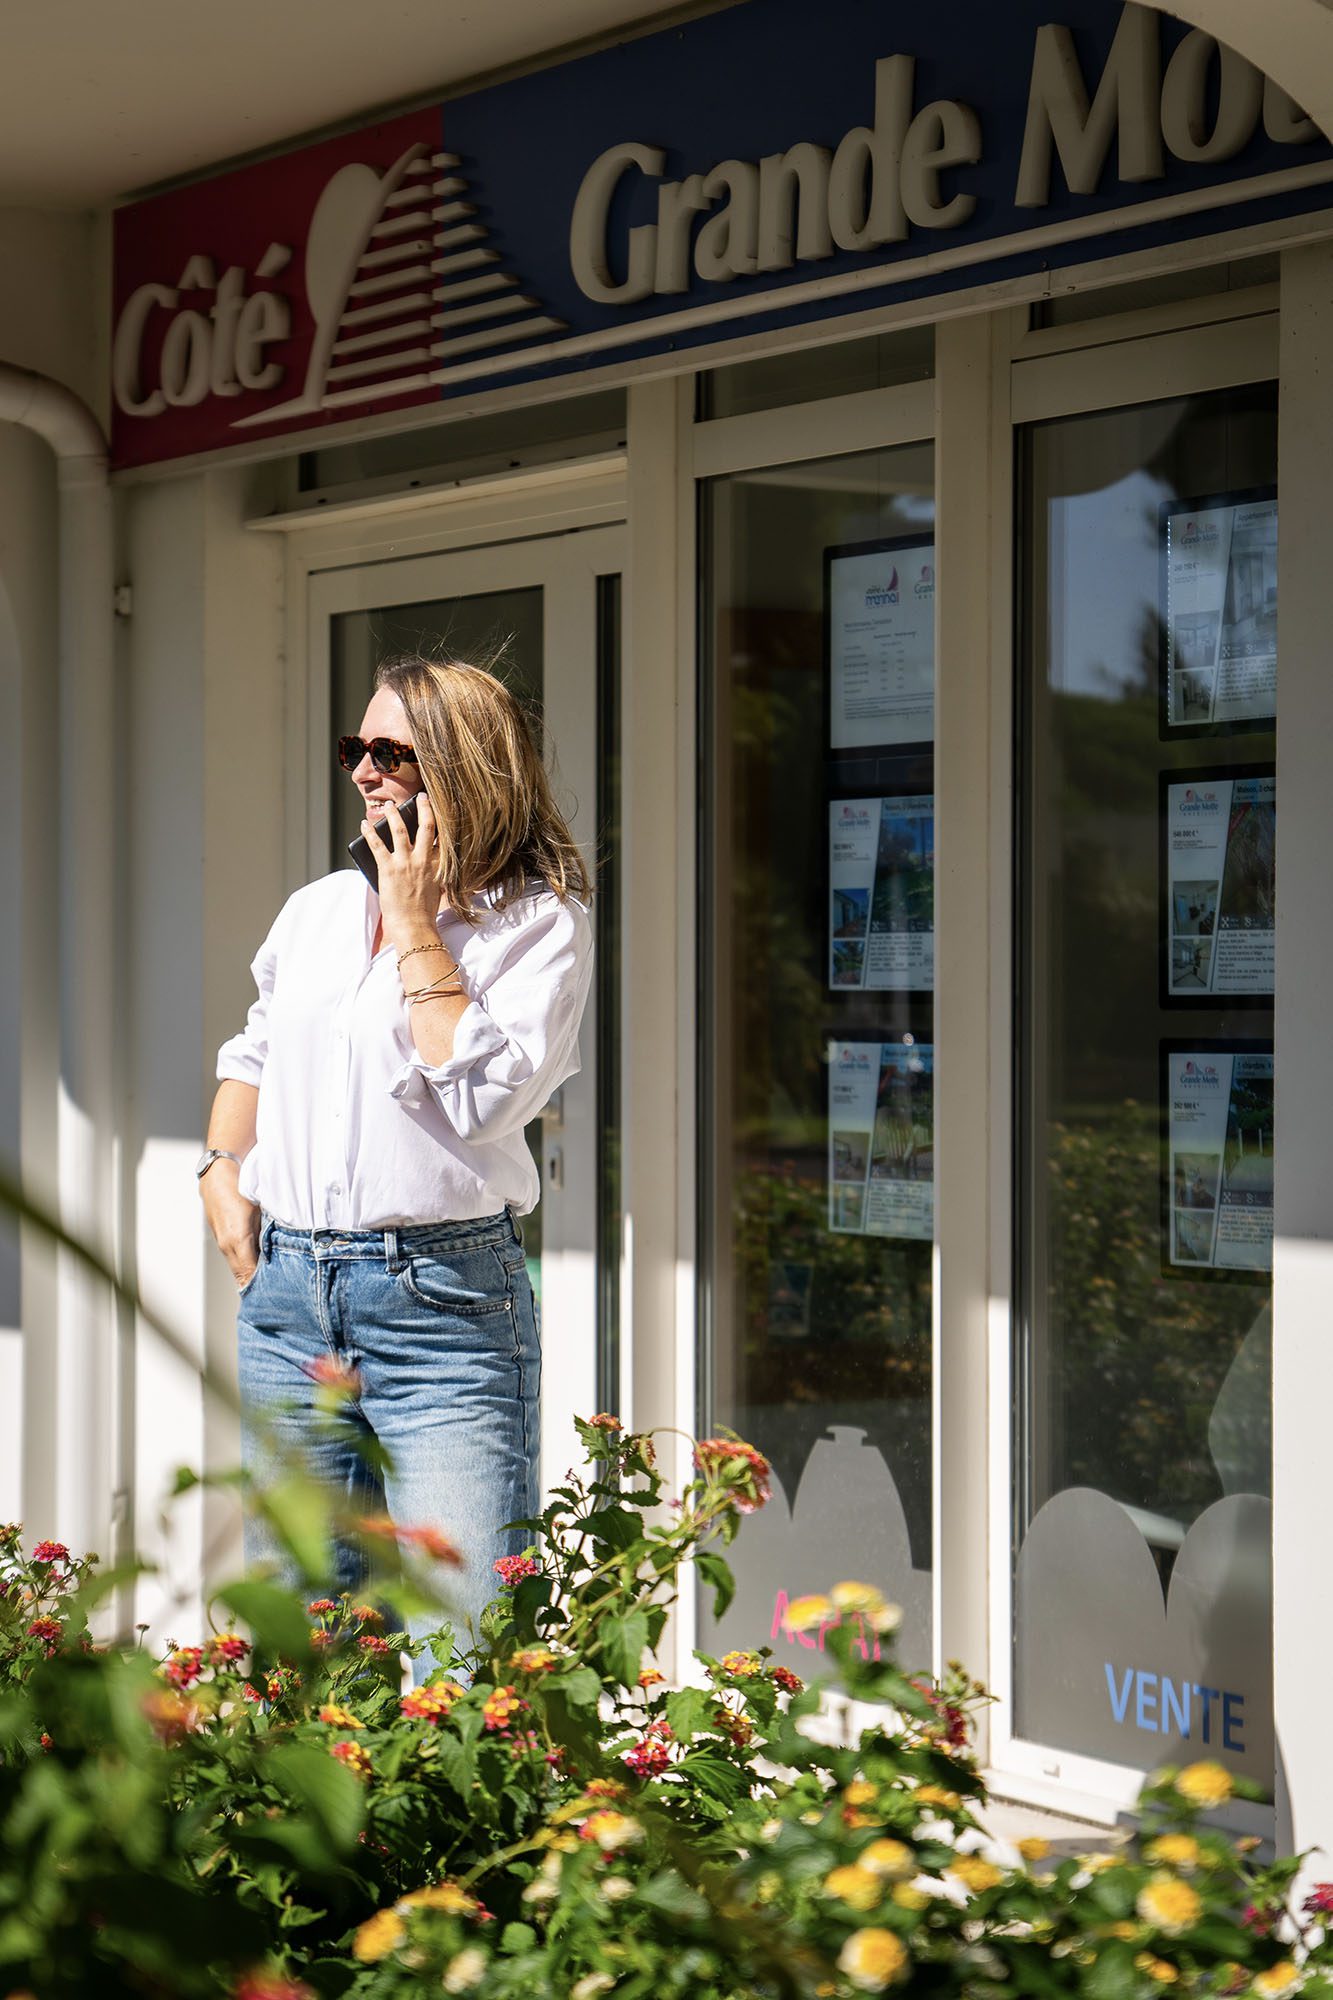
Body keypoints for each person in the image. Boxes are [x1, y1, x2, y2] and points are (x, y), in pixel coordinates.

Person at [197, 654, 592, 1660]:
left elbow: (487, 1097)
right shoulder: (318, 909)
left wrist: (414, 917)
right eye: (356, 748)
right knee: (300, 1634)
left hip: (442, 1307)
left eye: (391, 753)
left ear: (464, 768)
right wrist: (219, 1170)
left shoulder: (536, 924)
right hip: (288, 1301)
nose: (365, 772)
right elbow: (254, 1050)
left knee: (458, 1640)